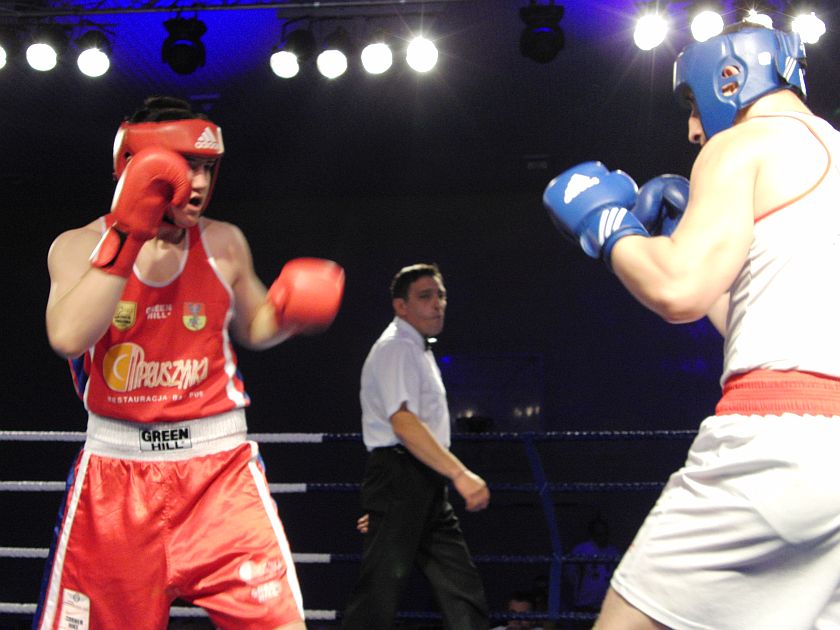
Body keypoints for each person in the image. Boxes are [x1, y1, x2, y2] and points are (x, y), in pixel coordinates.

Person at [543, 21, 840, 629]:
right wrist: (678, 240)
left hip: (774, 446)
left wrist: (607, 227)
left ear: (729, 77)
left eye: (692, 105)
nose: (693, 129)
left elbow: (676, 289)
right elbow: (754, 321)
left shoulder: (742, 145)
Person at [36, 95, 346, 630]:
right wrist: (129, 234)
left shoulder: (224, 243)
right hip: (116, 481)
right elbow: (67, 336)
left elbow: (255, 326)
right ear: (137, 167)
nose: (198, 182)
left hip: (219, 474)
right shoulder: (79, 245)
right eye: (186, 165)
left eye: (207, 166)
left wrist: (290, 314)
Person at [341, 263, 490, 630]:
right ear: (401, 306)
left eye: (441, 295)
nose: (437, 304)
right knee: (379, 593)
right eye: (425, 296)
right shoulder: (397, 347)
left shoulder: (417, 348)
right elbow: (403, 423)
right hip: (401, 474)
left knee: (461, 587)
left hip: (419, 481)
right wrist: (459, 474)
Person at [563, 516, 620, 613]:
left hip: (606, 603)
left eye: (604, 533)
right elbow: (570, 575)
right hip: (584, 602)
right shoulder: (581, 550)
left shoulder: (613, 552)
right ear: (592, 533)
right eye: (598, 533)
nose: (602, 536)